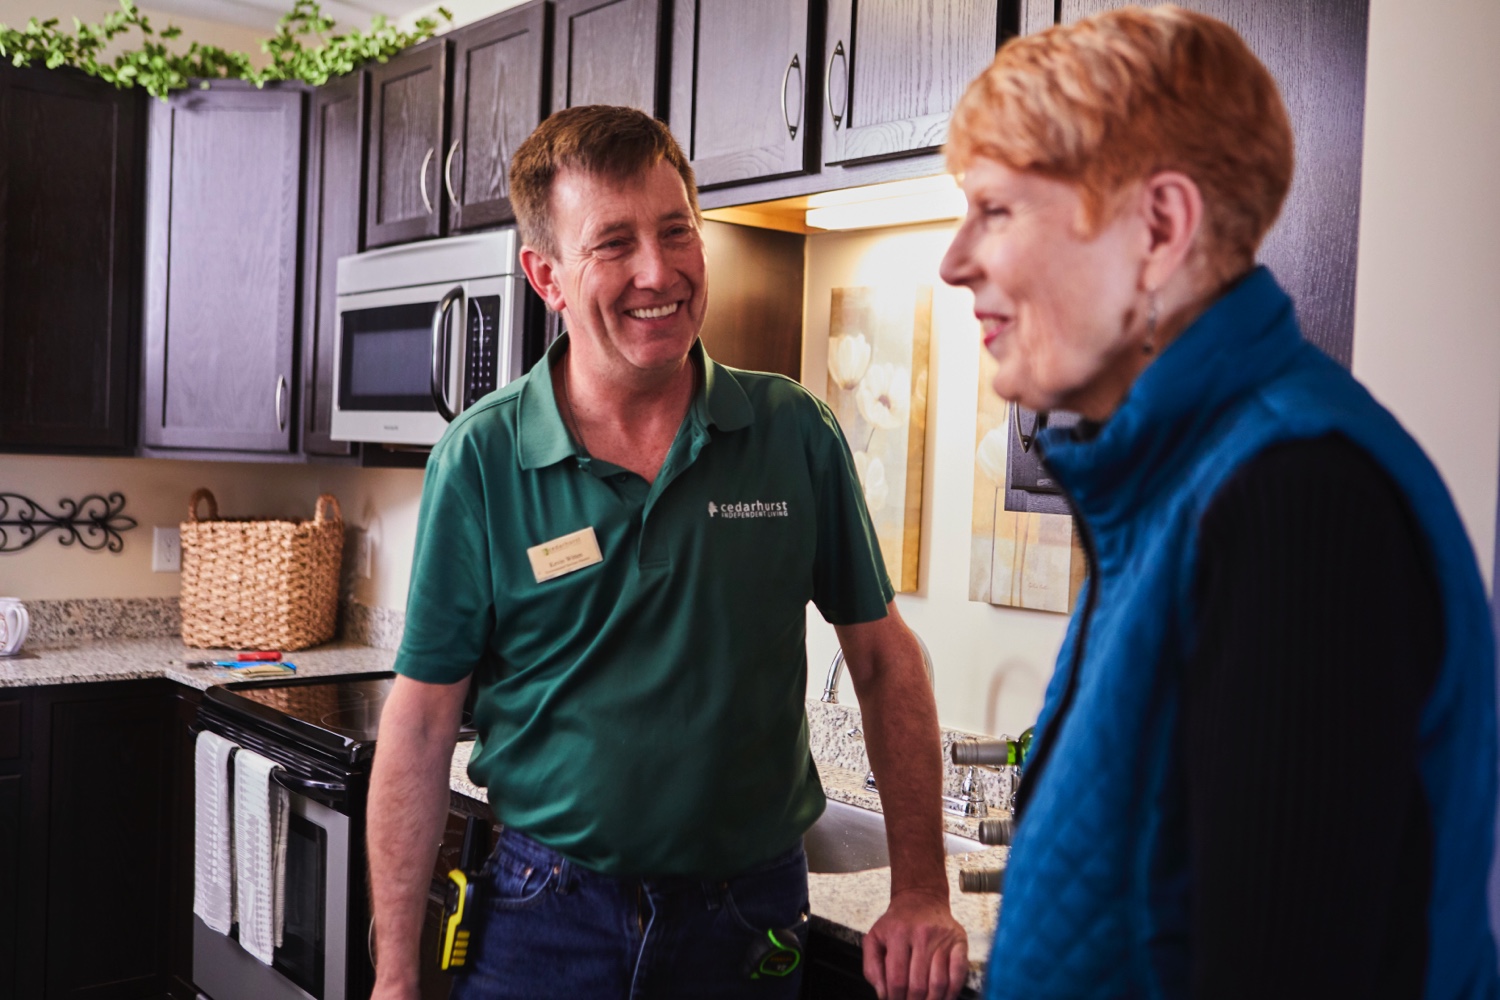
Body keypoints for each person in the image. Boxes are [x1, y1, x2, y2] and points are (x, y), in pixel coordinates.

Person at [938, 6, 1498, 999]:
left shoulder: (1298, 507)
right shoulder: (1179, 489)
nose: (955, 259)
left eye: (996, 210)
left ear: (1159, 228)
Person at [367, 104, 968, 1000]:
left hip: (748, 920)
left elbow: (882, 662)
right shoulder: (483, 458)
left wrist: (921, 886)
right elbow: (419, 726)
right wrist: (395, 976)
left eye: (677, 229)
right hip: (544, 918)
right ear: (548, 276)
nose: (660, 270)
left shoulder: (792, 432)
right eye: (612, 244)